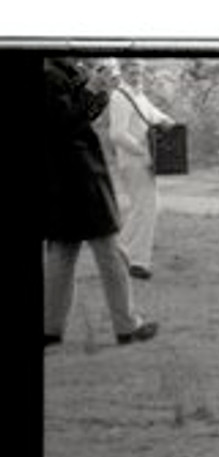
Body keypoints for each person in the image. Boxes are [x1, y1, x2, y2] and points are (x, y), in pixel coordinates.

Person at [44, 58, 158, 348]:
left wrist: (101, 90)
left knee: (62, 253)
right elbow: (63, 122)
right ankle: (127, 326)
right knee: (109, 252)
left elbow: (86, 115)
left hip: (66, 177)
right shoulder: (49, 75)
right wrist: (93, 87)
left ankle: (51, 330)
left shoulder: (68, 72)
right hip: (76, 176)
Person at [105, 59, 175, 280]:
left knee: (144, 208)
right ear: (123, 72)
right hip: (134, 160)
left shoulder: (138, 95)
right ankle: (132, 260)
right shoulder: (119, 97)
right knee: (145, 208)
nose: (137, 76)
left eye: (139, 72)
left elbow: (153, 115)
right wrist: (141, 152)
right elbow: (116, 134)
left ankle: (126, 257)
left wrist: (168, 122)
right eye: (132, 72)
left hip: (143, 160)